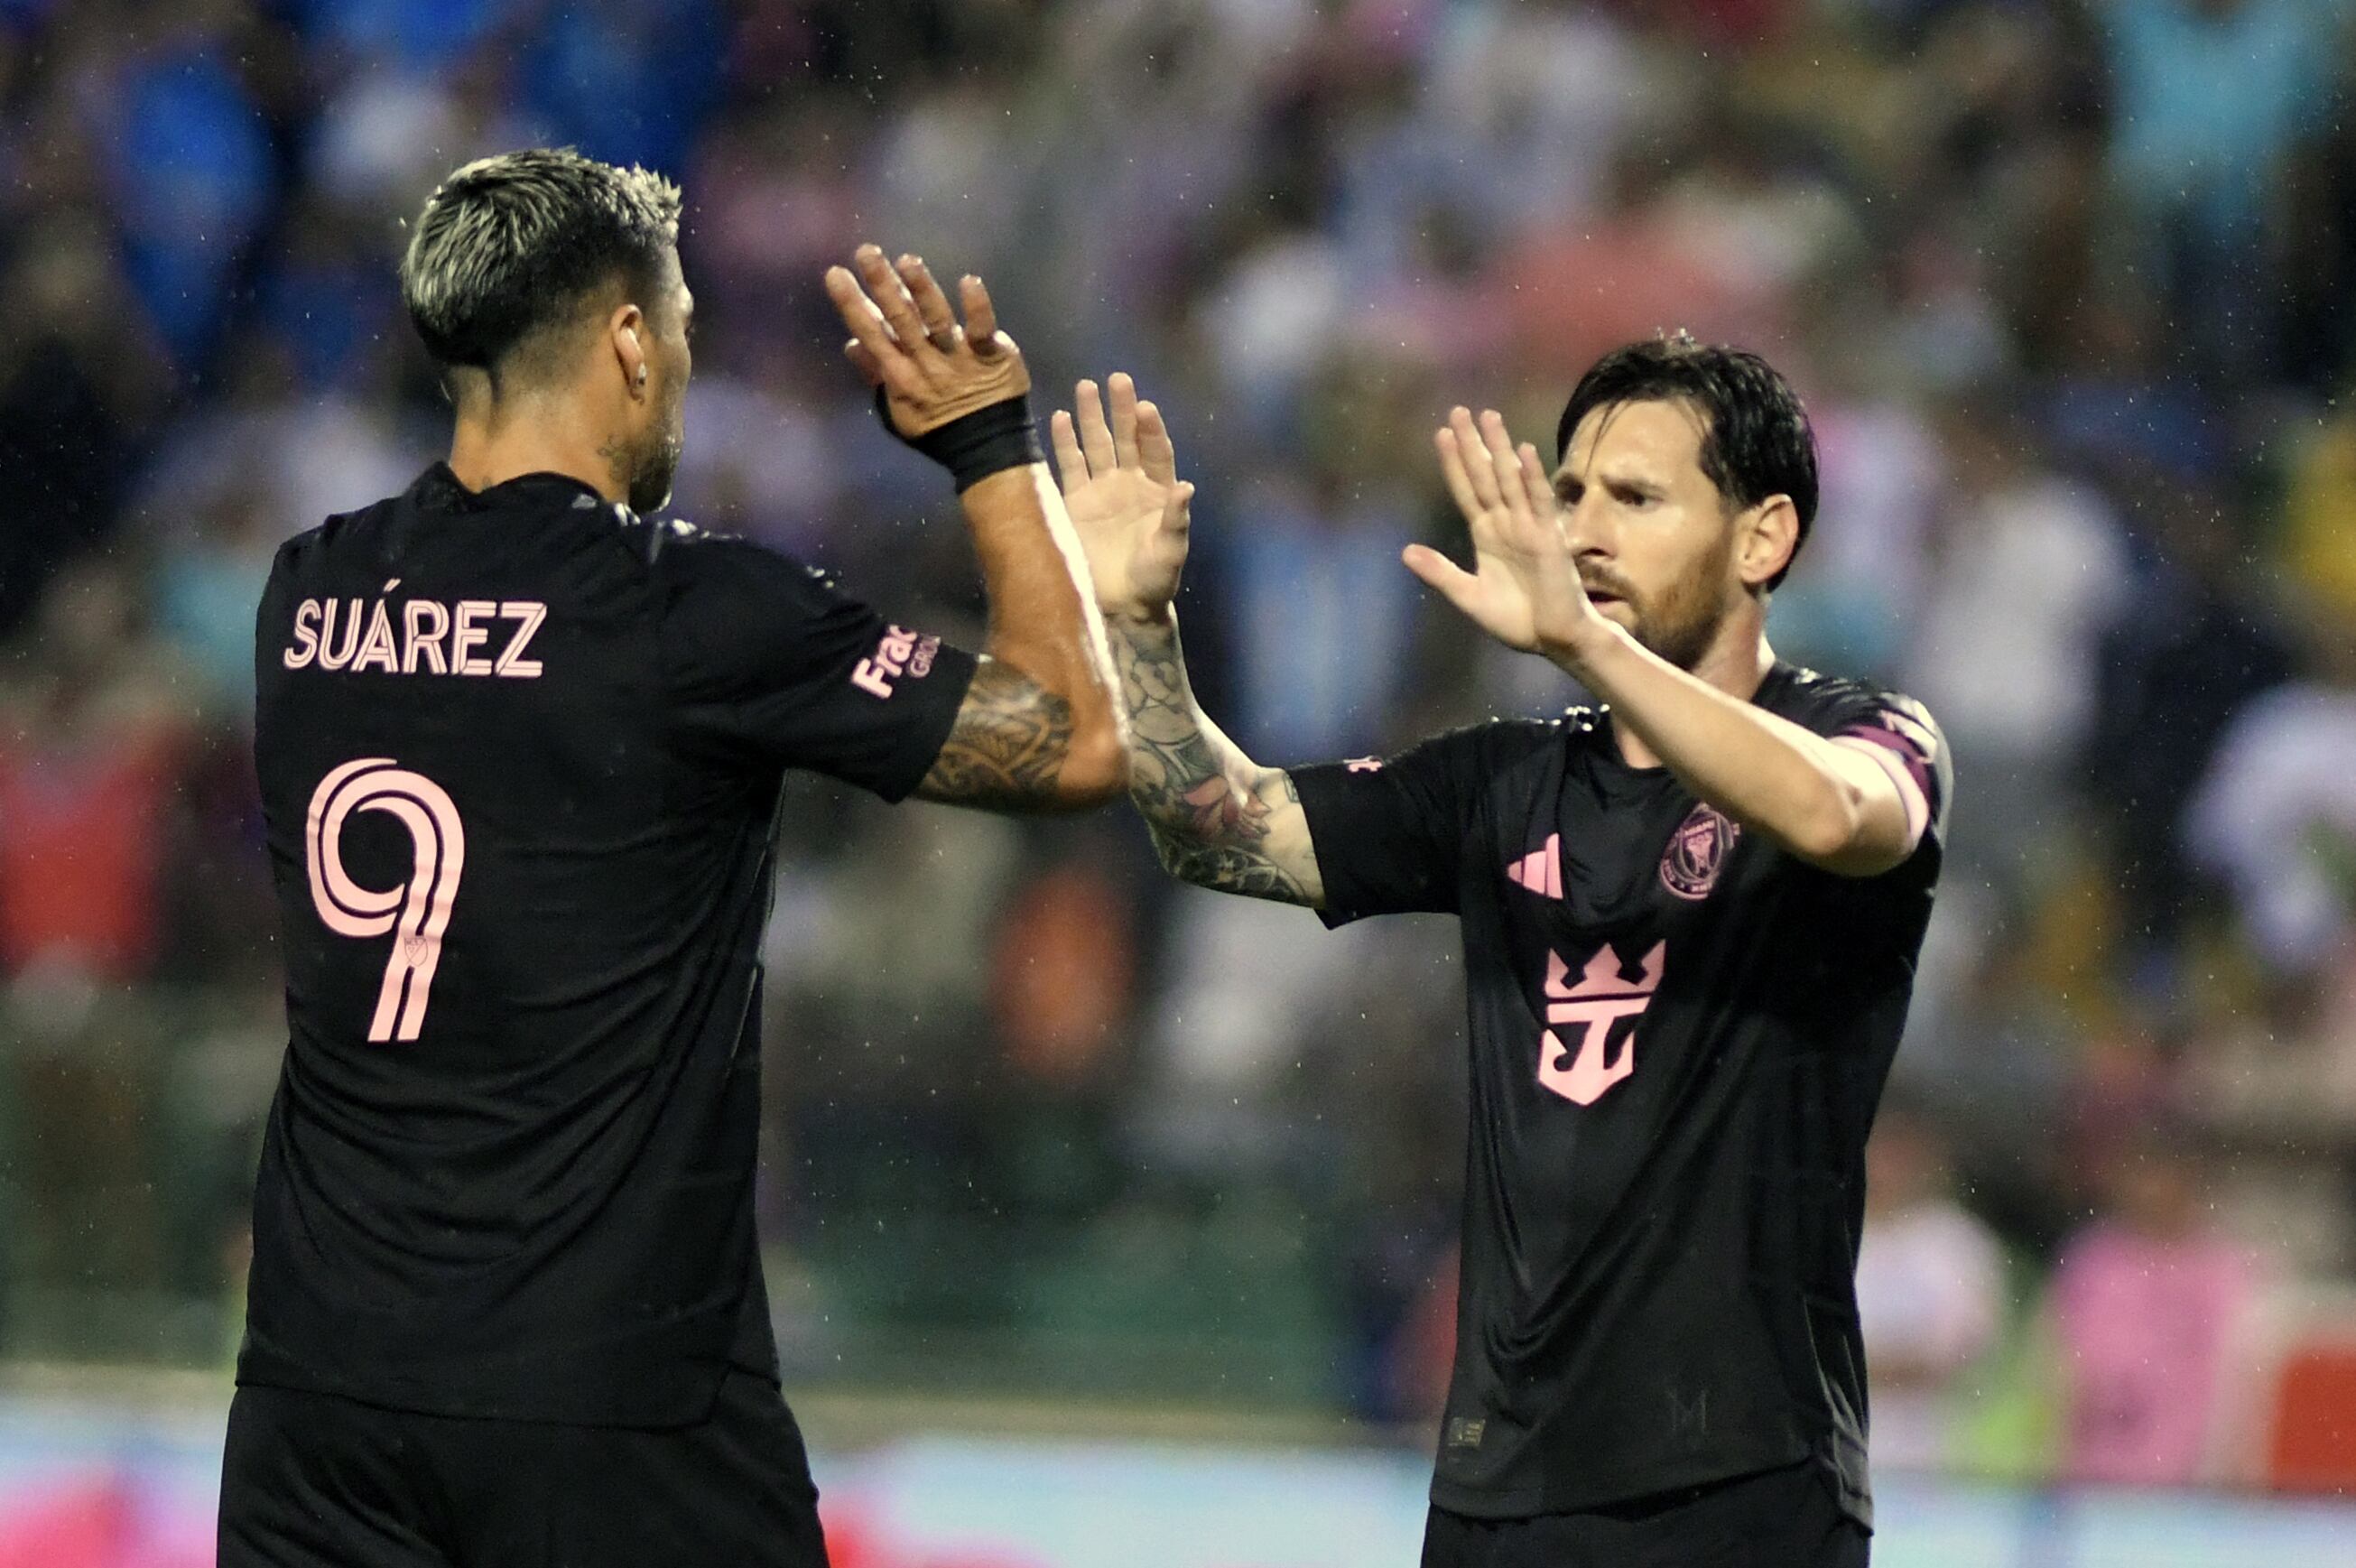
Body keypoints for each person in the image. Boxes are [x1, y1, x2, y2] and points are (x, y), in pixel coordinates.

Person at [219, 148, 1124, 1568]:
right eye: (685, 321)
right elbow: (1073, 739)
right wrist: (987, 446)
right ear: (629, 340)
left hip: (320, 1391)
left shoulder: (307, 595)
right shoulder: (690, 611)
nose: (690, 363)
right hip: (609, 1400)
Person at [1053, 340, 1952, 1567]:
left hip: (1742, 1480)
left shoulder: (1865, 734)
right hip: (1496, 1486)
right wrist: (1135, 622)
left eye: (1634, 498)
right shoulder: (1503, 782)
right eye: (1568, 494)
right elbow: (1220, 831)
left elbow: (1837, 818)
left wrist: (1585, 645)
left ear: (1762, 537)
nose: (1584, 533)